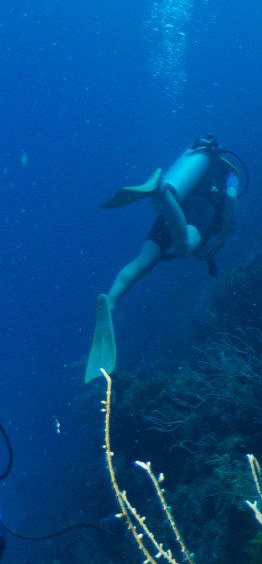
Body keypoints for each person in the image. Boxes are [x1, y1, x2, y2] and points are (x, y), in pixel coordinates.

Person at [84, 136, 243, 382]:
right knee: (184, 247)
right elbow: (231, 198)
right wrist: (222, 237)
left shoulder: (192, 163)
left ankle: (111, 300)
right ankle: (161, 192)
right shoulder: (228, 171)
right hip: (203, 207)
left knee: (143, 259)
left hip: (179, 199)